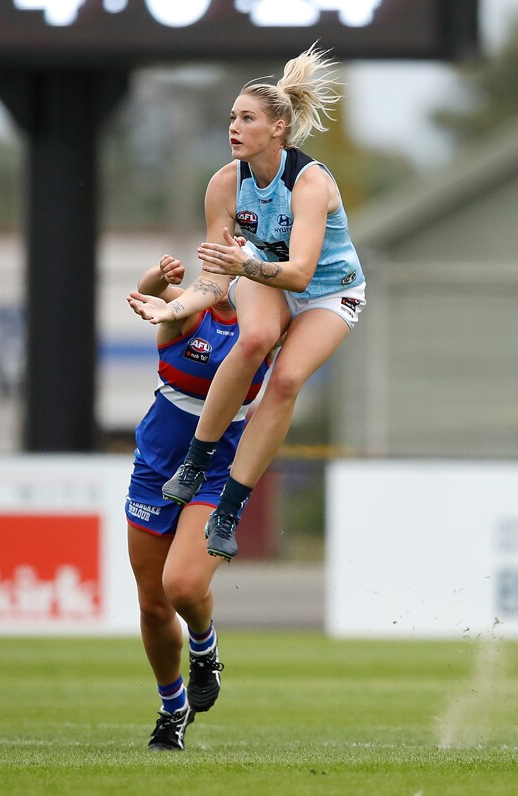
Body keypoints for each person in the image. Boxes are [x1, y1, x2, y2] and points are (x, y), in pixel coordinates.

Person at [128, 43, 365, 561]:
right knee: (255, 337)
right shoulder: (223, 185)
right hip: (261, 272)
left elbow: (302, 274)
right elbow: (214, 281)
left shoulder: (309, 182)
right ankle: (194, 463)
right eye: (232, 117)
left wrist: (243, 267)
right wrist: (175, 308)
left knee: (283, 382)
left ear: (278, 128)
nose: (234, 127)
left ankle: (230, 507)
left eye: (247, 118)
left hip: (329, 290)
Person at [125, 248, 271, 751]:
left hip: (217, 468)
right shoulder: (188, 312)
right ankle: (173, 710)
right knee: (152, 605)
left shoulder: (265, 325)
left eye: (242, 263)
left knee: (183, 587)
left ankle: (205, 651)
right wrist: (154, 277)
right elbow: (151, 294)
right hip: (158, 464)